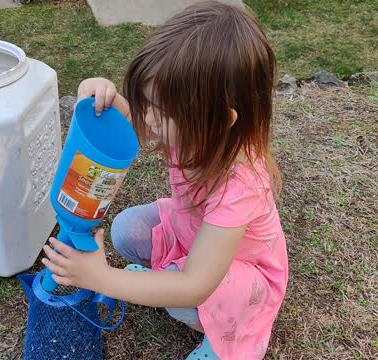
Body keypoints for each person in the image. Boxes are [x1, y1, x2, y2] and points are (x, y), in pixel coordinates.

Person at [42, 2, 288, 358]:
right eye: (147, 101)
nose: (149, 119)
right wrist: (104, 98)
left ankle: (224, 336)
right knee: (125, 230)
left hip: (237, 278)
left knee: (181, 299)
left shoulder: (241, 185)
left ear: (219, 120)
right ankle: (159, 279)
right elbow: (135, 124)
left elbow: (195, 287)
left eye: (162, 110)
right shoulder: (194, 130)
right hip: (191, 234)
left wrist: (102, 278)